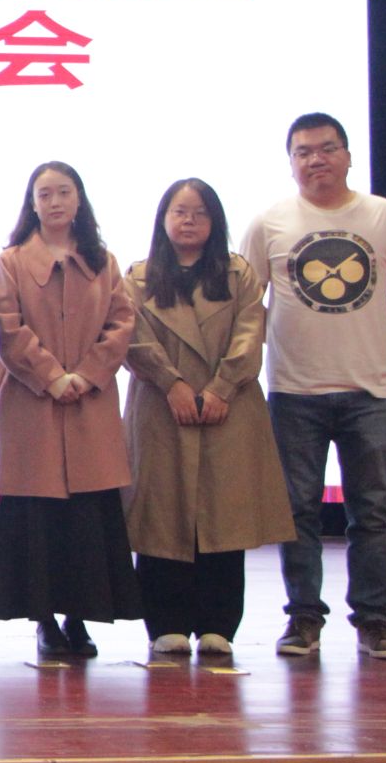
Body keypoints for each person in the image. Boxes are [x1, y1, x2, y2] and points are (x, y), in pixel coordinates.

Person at [240, 112, 386, 660]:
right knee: (298, 511)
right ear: (290, 162)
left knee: (373, 511)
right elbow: (248, 303)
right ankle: (303, 620)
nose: (315, 160)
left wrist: (367, 339)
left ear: (347, 155)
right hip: (294, 391)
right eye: (303, 152)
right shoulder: (269, 222)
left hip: (371, 391)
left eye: (326, 148)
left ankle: (374, 620)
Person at [123, 179, 293, 657]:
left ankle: (219, 624)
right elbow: (132, 338)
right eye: (179, 212)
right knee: (161, 518)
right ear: (163, 219)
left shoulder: (238, 274)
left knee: (223, 517)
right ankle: (166, 623)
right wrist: (172, 384)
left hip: (228, 407)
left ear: (215, 221)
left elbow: (250, 332)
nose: (189, 221)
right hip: (161, 408)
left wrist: (221, 387)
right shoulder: (139, 277)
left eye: (199, 212)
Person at [0, 162, 140, 658]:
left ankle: (79, 618)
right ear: (32, 204)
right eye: (45, 194)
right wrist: (52, 376)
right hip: (31, 404)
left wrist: (87, 374)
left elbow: (121, 324)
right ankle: (45, 621)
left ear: (79, 200)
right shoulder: (11, 261)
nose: (54, 202)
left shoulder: (104, 262)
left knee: (86, 517)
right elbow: (8, 328)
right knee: (39, 516)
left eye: (64, 192)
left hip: (90, 404)